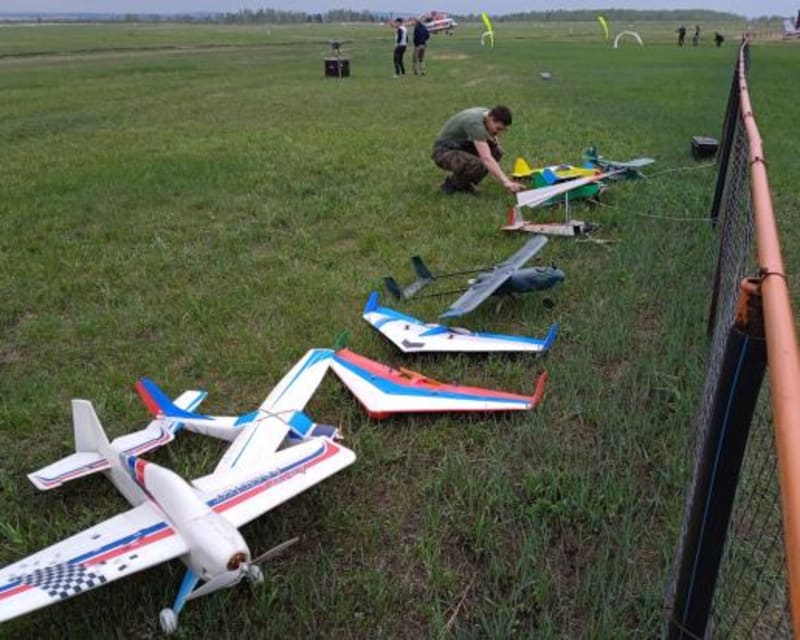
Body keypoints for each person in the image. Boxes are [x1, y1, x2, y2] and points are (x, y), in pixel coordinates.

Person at [431, 105, 524, 195]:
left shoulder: (486, 114)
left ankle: (465, 183)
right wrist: (506, 182)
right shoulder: (475, 124)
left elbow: (491, 147)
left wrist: (494, 140)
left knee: (496, 152)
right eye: (498, 129)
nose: (499, 133)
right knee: (477, 164)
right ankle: (450, 186)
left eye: (502, 130)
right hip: (443, 151)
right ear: (491, 118)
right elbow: (486, 158)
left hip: (460, 145)